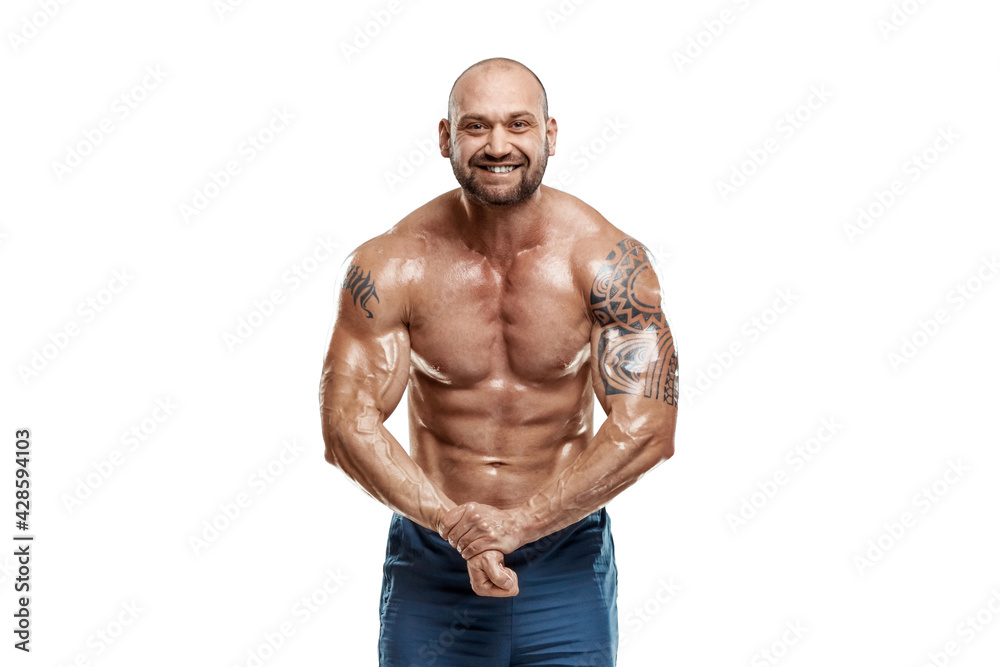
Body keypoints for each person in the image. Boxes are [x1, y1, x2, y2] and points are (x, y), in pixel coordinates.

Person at [319, 57, 678, 666]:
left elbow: (648, 429)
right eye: (476, 126)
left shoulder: (608, 263)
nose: (498, 145)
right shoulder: (392, 264)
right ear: (445, 138)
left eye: (518, 124)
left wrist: (524, 524)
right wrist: (454, 525)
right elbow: (345, 425)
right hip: (433, 553)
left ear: (550, 135)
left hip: (565, 555)